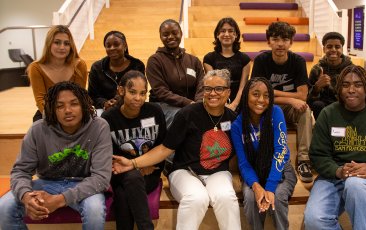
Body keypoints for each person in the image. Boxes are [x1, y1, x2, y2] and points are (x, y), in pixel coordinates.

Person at [111, 69, 241, 230]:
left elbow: (239, 154)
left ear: (228, 91)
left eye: (219, 88)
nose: (212, 93)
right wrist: (133, 163)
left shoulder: (234, 119)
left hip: (217, 173)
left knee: (227, 197)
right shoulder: (187, 114)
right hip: (185, 171)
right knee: (196, 198)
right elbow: (165, 149)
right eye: (207, 88)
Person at [0, 81, 112, 230]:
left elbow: (101, 178)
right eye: (60, 106)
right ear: (52, 109)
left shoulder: (99, 127)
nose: (68, 110)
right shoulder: (38, 129)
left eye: (74, 104)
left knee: (95, 210)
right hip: (47, 182)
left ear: (84, 105)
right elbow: (20, 171)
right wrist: (26, 196)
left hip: (84, 183)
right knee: (4, 206)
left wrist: (60, 200)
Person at [304, 65, 366, 230]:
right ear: (339, 88)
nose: (351, 89)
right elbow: (318, 155)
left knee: (355, 185)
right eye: (345, 84)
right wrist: (338, 171)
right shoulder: (328, 114)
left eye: (358, 84)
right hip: (332, 177)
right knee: (315, 220)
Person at [101, 70, 166, 230]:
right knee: (132, 176)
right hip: (120, 173)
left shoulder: (154, 111)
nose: (138, 98)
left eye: (142, 93)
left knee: (123, 196)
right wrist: (133, 167)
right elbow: (110, 157)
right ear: (121, 90)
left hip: (150, 171)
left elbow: (162, 146)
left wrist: (145, 165)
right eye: (132, 92)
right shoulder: (108, 118)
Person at [251, 21, 313, 183]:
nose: (280, 44)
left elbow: (303, 95)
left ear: (291, 42)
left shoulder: (298, 61)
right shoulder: (261, 61)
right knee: (259, 104)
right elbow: (258, 96)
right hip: (267, 107)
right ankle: (264, 158)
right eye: (275, 39)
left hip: (287, 108)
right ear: (268, 41)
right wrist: (290, 98)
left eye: (285, 39)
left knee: (306, 111)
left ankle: (304, 160)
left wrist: (270, 92)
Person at [231, 78, 297, 229]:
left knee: (278, 197)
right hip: (254, 171)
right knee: (249, 196)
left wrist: (269, 188)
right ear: (246, 95)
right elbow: (243, 163)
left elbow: (281, 152)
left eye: (266, 95)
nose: (261, 100)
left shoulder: (276, 113)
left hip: (280, 170)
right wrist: (256, 186)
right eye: (255, 94)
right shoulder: (237, 125)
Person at [146, 19, 204, 127]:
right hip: (163, 105)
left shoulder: (194, 60)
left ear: (181, 34)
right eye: (165, 34)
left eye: (174, 33)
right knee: (183, 117)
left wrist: (199, 103)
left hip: (192, 105)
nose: (171, 37)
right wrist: (188, 103)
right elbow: (161, 92)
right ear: (160, 37)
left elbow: (201, 84)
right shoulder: (154, 61)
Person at [28, 25, 88, 121]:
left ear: (71, 46)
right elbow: (40, 100)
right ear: (49, 44)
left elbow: (80, 96)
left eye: (67, 43)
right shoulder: (36, 68)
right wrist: (58, 118)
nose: (62, 47)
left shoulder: (79, 65)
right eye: (57, 42)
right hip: (48, 112)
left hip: (74, 112)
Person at [88, 31, 145, 111]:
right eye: (108, 46)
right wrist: (105, 103)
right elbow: (92, 96)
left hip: (130, 105)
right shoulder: (96, 68)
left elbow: (139, 91)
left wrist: (119, 100)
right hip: (104, 109)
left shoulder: (137, 65)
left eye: (116, 44)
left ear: (125, 45)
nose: (112, 48)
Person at [203, 17, 251, 112]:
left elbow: (242, 87)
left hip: (239, 102)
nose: (226, 34)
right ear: (217, 35)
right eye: (223, 31)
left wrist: (234, 104)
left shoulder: (245, 59)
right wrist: (223, 105)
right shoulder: (209, 59)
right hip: (217, 100)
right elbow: (213, 85)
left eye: (230, 31)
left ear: (236, 35)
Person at [308, 32, 352, 119]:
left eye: (337, 47)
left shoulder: (351, 69)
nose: (333, 50)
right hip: (324, 106)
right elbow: (308, 100)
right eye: (329, 47)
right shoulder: (317, 69)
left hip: (345, 103)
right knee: (317, 105)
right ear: (324, 49)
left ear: (342, 49)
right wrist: (317, 87)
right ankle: (323, 130)